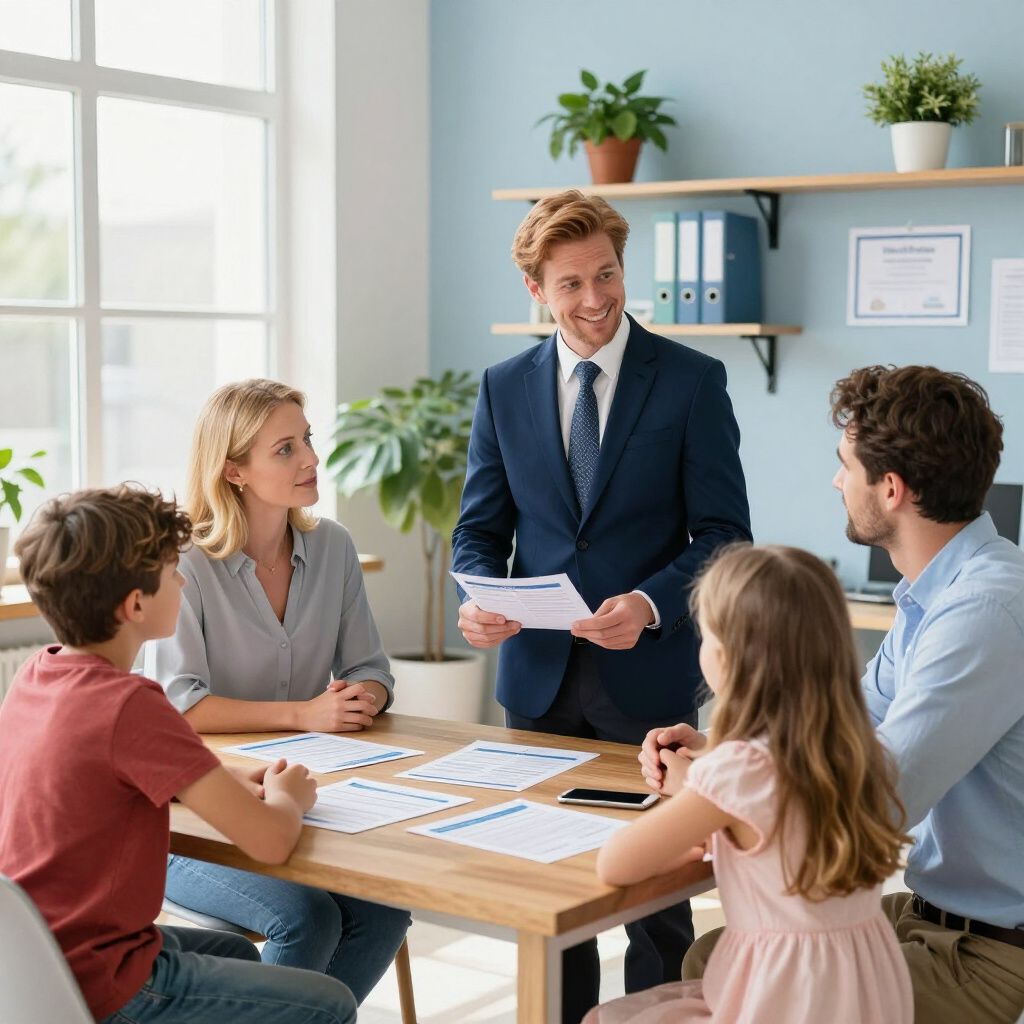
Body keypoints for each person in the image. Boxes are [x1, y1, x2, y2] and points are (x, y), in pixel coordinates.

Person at [642, 366, 1024, 1023]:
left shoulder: (985, 611)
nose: (836, 481)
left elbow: (869, 801)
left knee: (729, 973)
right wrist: (725, 750)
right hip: (931, 912)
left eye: (846, 465)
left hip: (989, 955)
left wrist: (712, 787)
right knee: (716, 957)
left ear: (893, 489)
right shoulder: (932, 594)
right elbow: (840, 724)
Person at [451, 189, 752, 1022]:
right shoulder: (503, 386)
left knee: (658, 903)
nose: (595, 299)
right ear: (536, 290)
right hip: (536, 685)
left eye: (608, 275)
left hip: (647, 686)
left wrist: (653, 606)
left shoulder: (691, 380)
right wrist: (477, 599)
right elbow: (478, 531)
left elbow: (727, 535)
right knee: (544, 900)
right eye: (572, 283)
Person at [0, 485, 356, 1024]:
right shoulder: (131, 704)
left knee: (238, 954)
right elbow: (271, 841)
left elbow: (133, 770)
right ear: (135, 604)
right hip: (108, 981)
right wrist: (288, 797)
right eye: (173, 573)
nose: (185, 581)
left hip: (38, 961)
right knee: (330, 1004)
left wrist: (232, 776)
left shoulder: (38, 675)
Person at [145, 378, 410, 1004]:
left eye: (307, 441)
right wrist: (307, 713)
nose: (312, 459)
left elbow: (373, 667)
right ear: (234, 470)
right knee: (306, 917)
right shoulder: (185, 562)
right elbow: (180, 704)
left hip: (306, 791)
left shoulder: (334, 546)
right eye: (285, 449)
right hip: (191, 815)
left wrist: (364, 696)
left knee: (384, 911)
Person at [585, 543, 913, 1024]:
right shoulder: (856, 748)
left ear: (728, 656)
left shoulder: (736, 772)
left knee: (604, 1018)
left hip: (780, 997)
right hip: (861, 987)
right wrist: (703, 780)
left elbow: (615, 863)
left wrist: (694, 793)